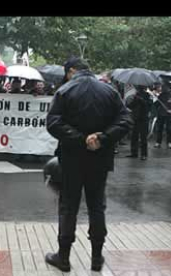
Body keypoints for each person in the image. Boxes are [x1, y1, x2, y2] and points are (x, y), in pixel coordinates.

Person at [46, 57, 132, 272]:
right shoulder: (109, 92)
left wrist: (80, 138)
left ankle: (63, 257)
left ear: (71, 71)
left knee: (68, 206)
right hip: (100, 159)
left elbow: (53, 123)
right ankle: (96, 257)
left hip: (71, 159)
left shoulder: (65, 91)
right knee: (97, 207)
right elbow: (126, 121)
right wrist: (102, 138)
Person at [125, 85, 153, 160]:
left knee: (143, 137)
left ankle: (144, 154)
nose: (137, 89)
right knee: (134, 136)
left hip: (144, 119)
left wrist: (141, 100)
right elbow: (131, 106)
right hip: (135, 118)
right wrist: (132, 100)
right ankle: (134, 153)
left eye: (139, 88)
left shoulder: (148, 95)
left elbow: (149, 106)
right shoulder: (135, 96)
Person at [154, 82, 171, 149]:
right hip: (161, 114)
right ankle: (158, 142)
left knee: (169, 129)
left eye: (164, 87)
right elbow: (156, 104)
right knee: (159, 129)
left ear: (168, 87)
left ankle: (169, 142)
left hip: (169, 115)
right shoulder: (161, 95)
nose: (163, 88)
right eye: (162, 87)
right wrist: (155, 98)